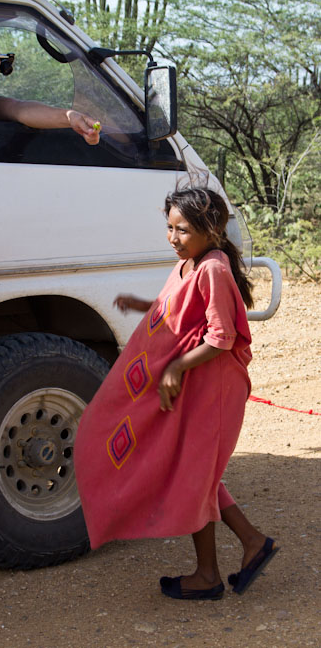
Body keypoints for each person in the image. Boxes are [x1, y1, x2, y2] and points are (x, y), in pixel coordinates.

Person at [74, 187, 279, 600]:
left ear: (213, 229)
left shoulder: (213, 269)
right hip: (197, 383)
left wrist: (176, 366)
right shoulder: (190, 264)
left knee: (193, 473)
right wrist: (144, 304)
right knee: (195, 471)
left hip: (213, 383)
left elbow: (221, 337)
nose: (172, 237)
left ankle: (209, 574)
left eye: (182, 229)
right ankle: (252, 543)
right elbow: (184, 309)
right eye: (169, 227)